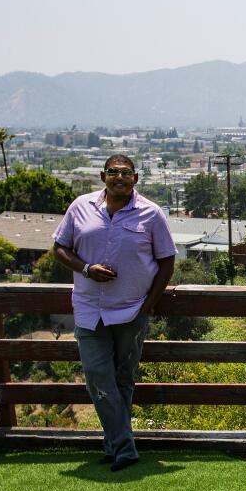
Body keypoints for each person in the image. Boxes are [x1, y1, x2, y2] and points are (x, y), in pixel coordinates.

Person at [53, 155, 176, 471]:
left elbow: (167, 261)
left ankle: (113, 444)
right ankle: (125, 448)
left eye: (125, 173)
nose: (118, 178)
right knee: (97, 377)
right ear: (102, 176)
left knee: (123, 379)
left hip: (131, 311)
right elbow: (60, 247)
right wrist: (86, 268)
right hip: (89, 309)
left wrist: (148, 305)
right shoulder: (80, 207)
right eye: (112, 173)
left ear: (135, 178)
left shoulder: (151, 214)